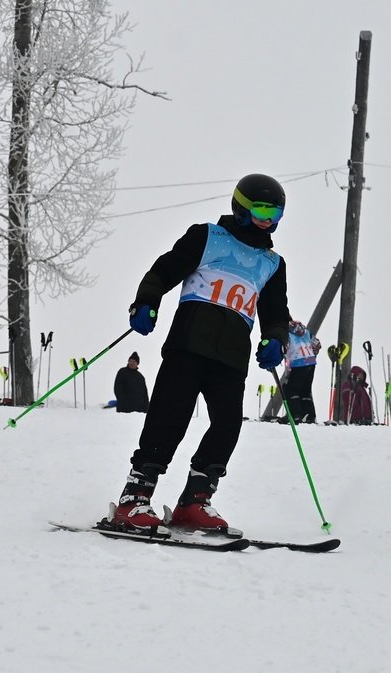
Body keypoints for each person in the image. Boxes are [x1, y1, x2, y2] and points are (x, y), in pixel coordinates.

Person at [106, 173, 290, 533]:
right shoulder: (206, 237)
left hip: (232, 358)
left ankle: (195, 499)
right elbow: (163, 271)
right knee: (168, 417)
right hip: (189, 345)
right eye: (261, 210)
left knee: (227, 425)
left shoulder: (272, 264)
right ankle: (135, 497)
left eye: (276, 213)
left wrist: (275, 340)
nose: (267, 219)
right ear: (241, 208)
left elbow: (276, 314)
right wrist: (146, 302)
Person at [280, 319, 321, 423]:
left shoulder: (284, 330)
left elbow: (283, 346)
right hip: (310, 360)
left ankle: (295, 415)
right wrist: (312, 353)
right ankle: (309, 415)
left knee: (290, 389)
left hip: (298, 361)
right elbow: (317, 344)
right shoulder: (303, 329)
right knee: (305, 390)